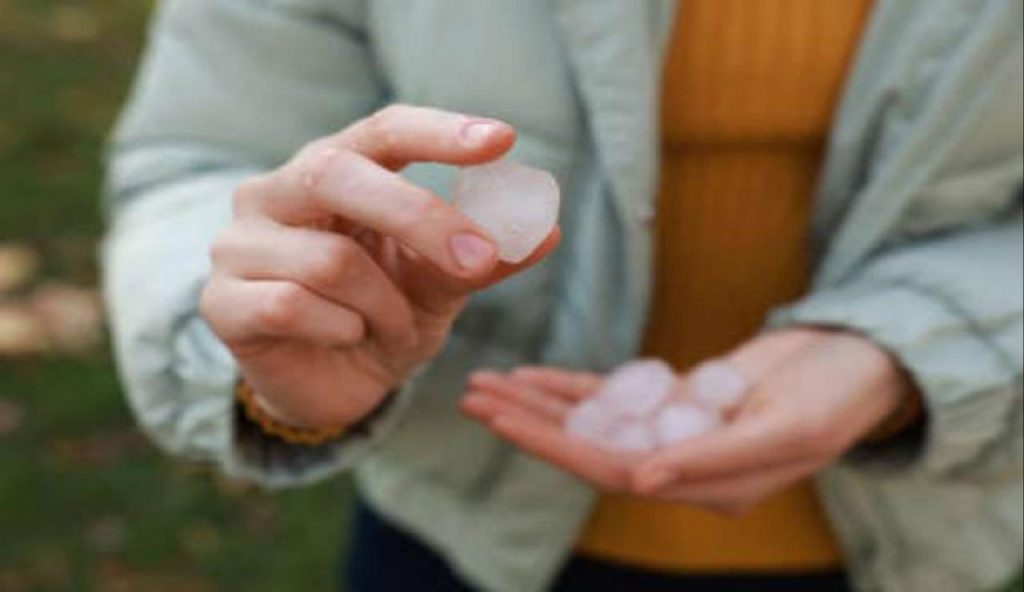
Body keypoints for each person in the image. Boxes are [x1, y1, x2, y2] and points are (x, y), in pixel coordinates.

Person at [102, 1, 1023, 591]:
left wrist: (916, 352)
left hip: (921, 534)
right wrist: (269, 335)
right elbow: (199, 159)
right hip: (463, 526)